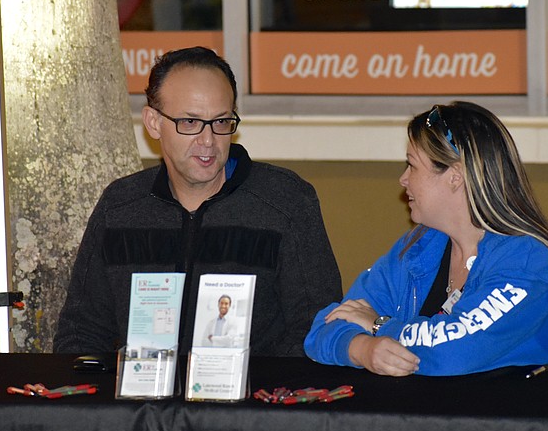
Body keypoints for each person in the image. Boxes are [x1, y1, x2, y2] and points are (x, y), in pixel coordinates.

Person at [54, 46, 342, 356]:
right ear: (153, 123)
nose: (208, 141)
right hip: (142, 399)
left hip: (255, 398)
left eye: (221, 122)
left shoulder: (284, 202)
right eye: (190, 123)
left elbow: (317, 325)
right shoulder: (121, 207)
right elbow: (81, 330)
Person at [304, 101, 548, 376]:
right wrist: (362, 349)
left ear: (455, 176)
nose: (403, 179)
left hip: (529, 422)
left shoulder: (528, 261)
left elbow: (455, 350)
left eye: (412, 166)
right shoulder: (418, 247)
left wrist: (380, 326)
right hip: (440, 420)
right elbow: (326, 325)